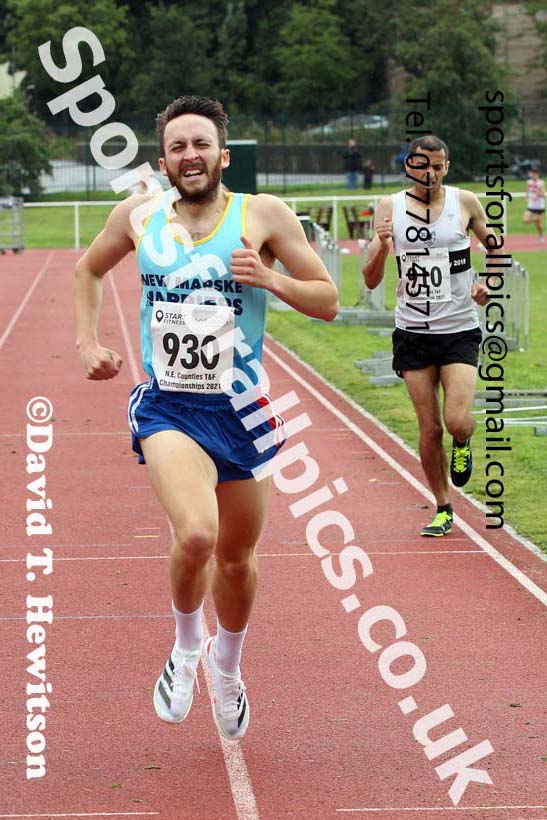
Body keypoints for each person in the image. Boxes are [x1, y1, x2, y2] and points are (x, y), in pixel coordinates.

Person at [74, 95, 338, 739]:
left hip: (243, 408)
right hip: (169, 405)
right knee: (196, 534)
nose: (188, 156)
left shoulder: (264, 216)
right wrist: (87, 342)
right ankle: (186, 648)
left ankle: (227, 667)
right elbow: (88, 270)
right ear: (162, 161)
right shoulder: (140, 215)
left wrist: (273, 281)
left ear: (223, 154)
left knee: (238, 558)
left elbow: (328, 299)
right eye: (176, 147)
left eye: (200, 144)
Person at [363, 135, 492, 537]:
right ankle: (442, 505)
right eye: (422, 166)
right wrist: (383, 248)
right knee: (429, 427)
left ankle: (465, 441)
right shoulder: (390, 207)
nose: (429, 173)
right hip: (413, 331)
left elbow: (496, 247)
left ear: (447, 167)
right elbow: (369, 279)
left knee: (456, 420)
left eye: (437, 166)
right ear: (408, 166)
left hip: (459, 328)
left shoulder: (465, 202)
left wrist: (488, 279)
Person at [523, 166, 545, 242]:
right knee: (525, 220)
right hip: (531, 205)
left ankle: (541, 235)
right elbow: (527, 191)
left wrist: (538, 194)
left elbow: (543, 194)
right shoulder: (529, 182)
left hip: (539, 206)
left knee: (538, 225)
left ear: (538, 174)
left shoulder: (541, 183)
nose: (534, 175)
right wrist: (526, 198)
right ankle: (536, 220)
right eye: (533, 173)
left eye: (535, 173)